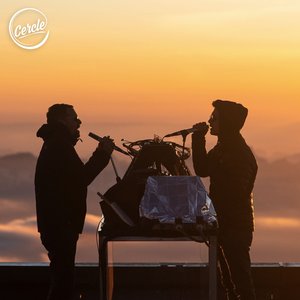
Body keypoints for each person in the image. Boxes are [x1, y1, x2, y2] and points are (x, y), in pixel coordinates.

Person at [35, 103, 114, 300]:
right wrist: (103, 154)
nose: (78, 123)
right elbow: (81, 179)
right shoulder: (60, 146)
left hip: (56, 225)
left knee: (61, 279)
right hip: (61, 226)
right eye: (74, 118)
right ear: (62, 120)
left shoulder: (54, 143)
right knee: (63, 282)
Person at [191, 100, 258, 300]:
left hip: (235, 228)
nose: (210, 121)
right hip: (225, 225)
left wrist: (216, 216)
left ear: (226, 122)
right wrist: (198, 139)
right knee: (230, 283)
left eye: (215, 117)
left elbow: (236, 194)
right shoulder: (223, 148)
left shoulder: (238, 154)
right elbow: (203, 169)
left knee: (241, 284)